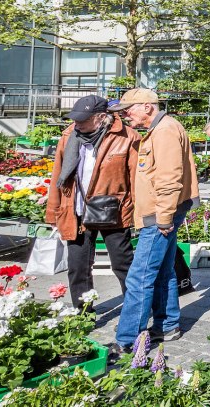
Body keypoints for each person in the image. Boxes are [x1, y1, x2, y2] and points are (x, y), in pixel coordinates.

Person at [110, 89, 198, 352]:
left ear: (147, 106)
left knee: (140, 276)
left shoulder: (165, 131)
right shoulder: (161, 129)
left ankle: (128, 339)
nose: (124, 115)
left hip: (159, 214)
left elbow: (170, 178)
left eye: (128, 109)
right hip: (161, 211)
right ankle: (167, 325)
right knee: (163, 269)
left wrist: (163, 217)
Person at [47, 95, 137, 312]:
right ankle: (83, 313)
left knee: (122, 265)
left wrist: (138, 212)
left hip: (113, 210)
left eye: (83, 119)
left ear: (100, 117)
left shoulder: (127, 136)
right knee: (78, 267)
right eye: (75, 118)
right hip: (76, 209)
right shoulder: (70, 135)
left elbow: (136, 178)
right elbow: (58, 174)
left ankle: (134, 312)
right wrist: (53, 212)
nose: (77, 123)